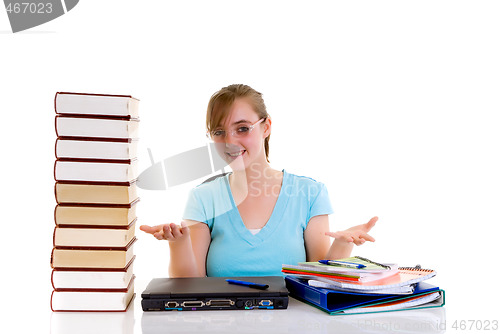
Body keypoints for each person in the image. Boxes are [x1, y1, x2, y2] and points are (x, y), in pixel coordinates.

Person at [140, 84, 377, 277]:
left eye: (242, 129)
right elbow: (190, 289)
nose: (230, 142)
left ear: (266, 127)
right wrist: (178, 244)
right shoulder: (203, 198)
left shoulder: (309, 193)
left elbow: (319, 279)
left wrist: (344, 244)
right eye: (219, 133)